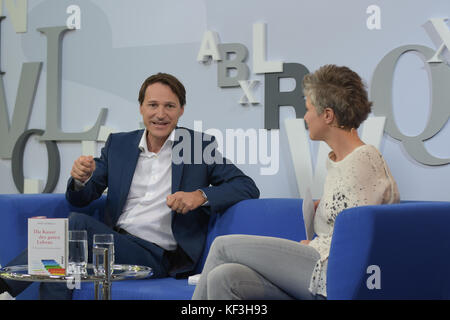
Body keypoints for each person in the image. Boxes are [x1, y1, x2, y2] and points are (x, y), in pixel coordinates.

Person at [0, 72, 260, 299]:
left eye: (169, 106)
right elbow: (81, 197)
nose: (160, 114)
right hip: (112, 244)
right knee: (61, 264)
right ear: (140, 108)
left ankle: (3, 288)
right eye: (153, 105)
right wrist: (82, 179)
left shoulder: (196, 146)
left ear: (181, 110)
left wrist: (200, 195)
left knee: (75, 225)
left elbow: (246, 186)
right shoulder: (120, 145)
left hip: (156, 257)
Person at [192, 64, 400, 300]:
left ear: (328, 115)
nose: (305, 117)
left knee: (223, 246)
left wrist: (312, 248)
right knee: (224, 277)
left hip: (332, 276)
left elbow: (358, 242)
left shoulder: (363, 160)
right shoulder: (340, 162)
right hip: (318, 266)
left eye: (309, 109)